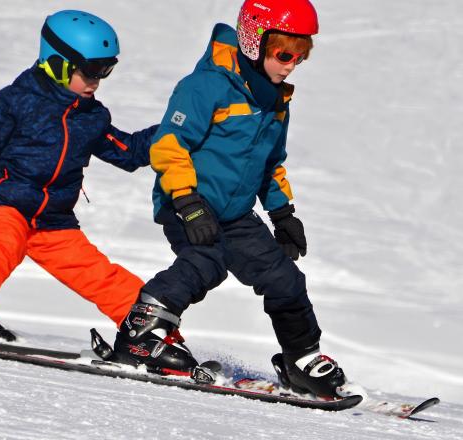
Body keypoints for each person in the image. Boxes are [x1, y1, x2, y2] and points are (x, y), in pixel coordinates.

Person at [112, 0, 349, 398]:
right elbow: (169, 145)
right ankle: (142, 332)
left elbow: (271, 163)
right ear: (255, 42)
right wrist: (187, 200)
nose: (291, 65)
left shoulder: (276, 102)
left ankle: (302, 359)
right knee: (206, 260)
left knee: (284, 278)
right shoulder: (206, 86)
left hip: (236, 214)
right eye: (284, 53)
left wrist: (283, 213)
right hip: (187, 203)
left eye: (300, 56)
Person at [0, 10, 157, 341]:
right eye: (91, 70)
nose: (97, 80)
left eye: (106, 70)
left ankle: (150, 333)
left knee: (98, 272)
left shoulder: (91, 116)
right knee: (0, 243)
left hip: (53, 219)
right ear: (59, 62)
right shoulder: (19, 100)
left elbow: (129, 151)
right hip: (8, 202)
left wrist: (179, 132)